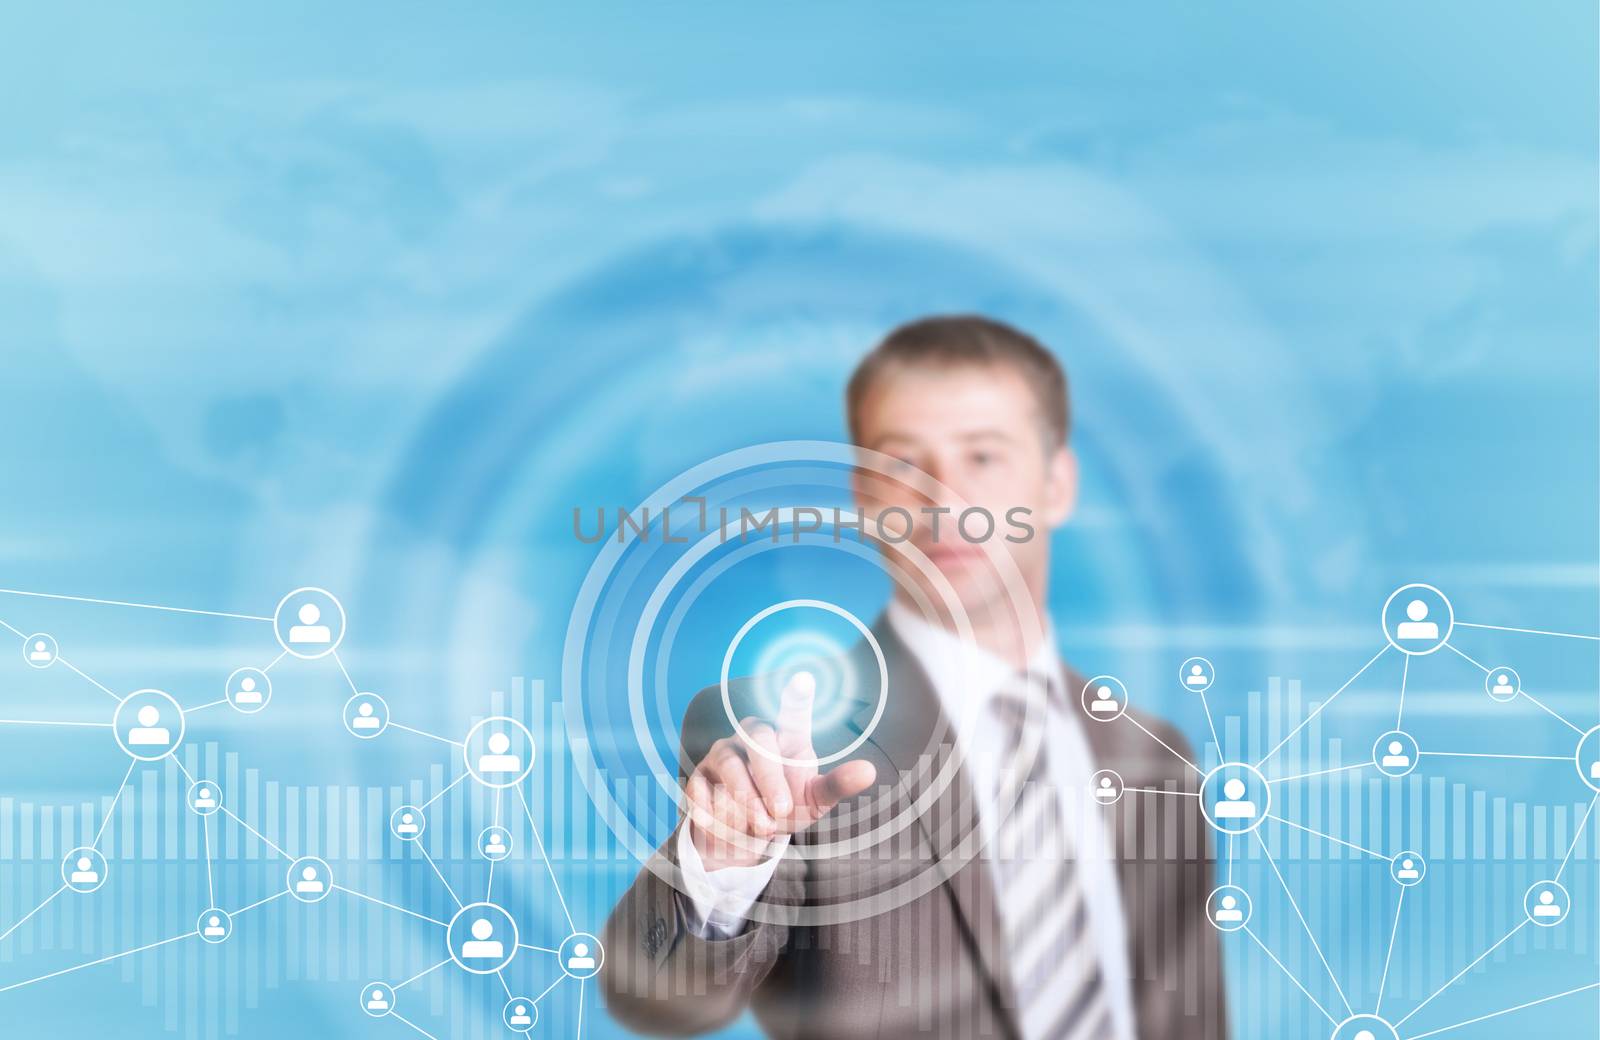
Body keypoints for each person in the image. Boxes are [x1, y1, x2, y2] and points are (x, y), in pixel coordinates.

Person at [602, 317, 1225, 1039]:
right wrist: (722, 864)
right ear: (863, 493)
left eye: (984, 457)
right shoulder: (775, 742)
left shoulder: (1157, 757)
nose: (944, 501)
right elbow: (658, 999)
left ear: (1056, 485)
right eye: (904, 463)